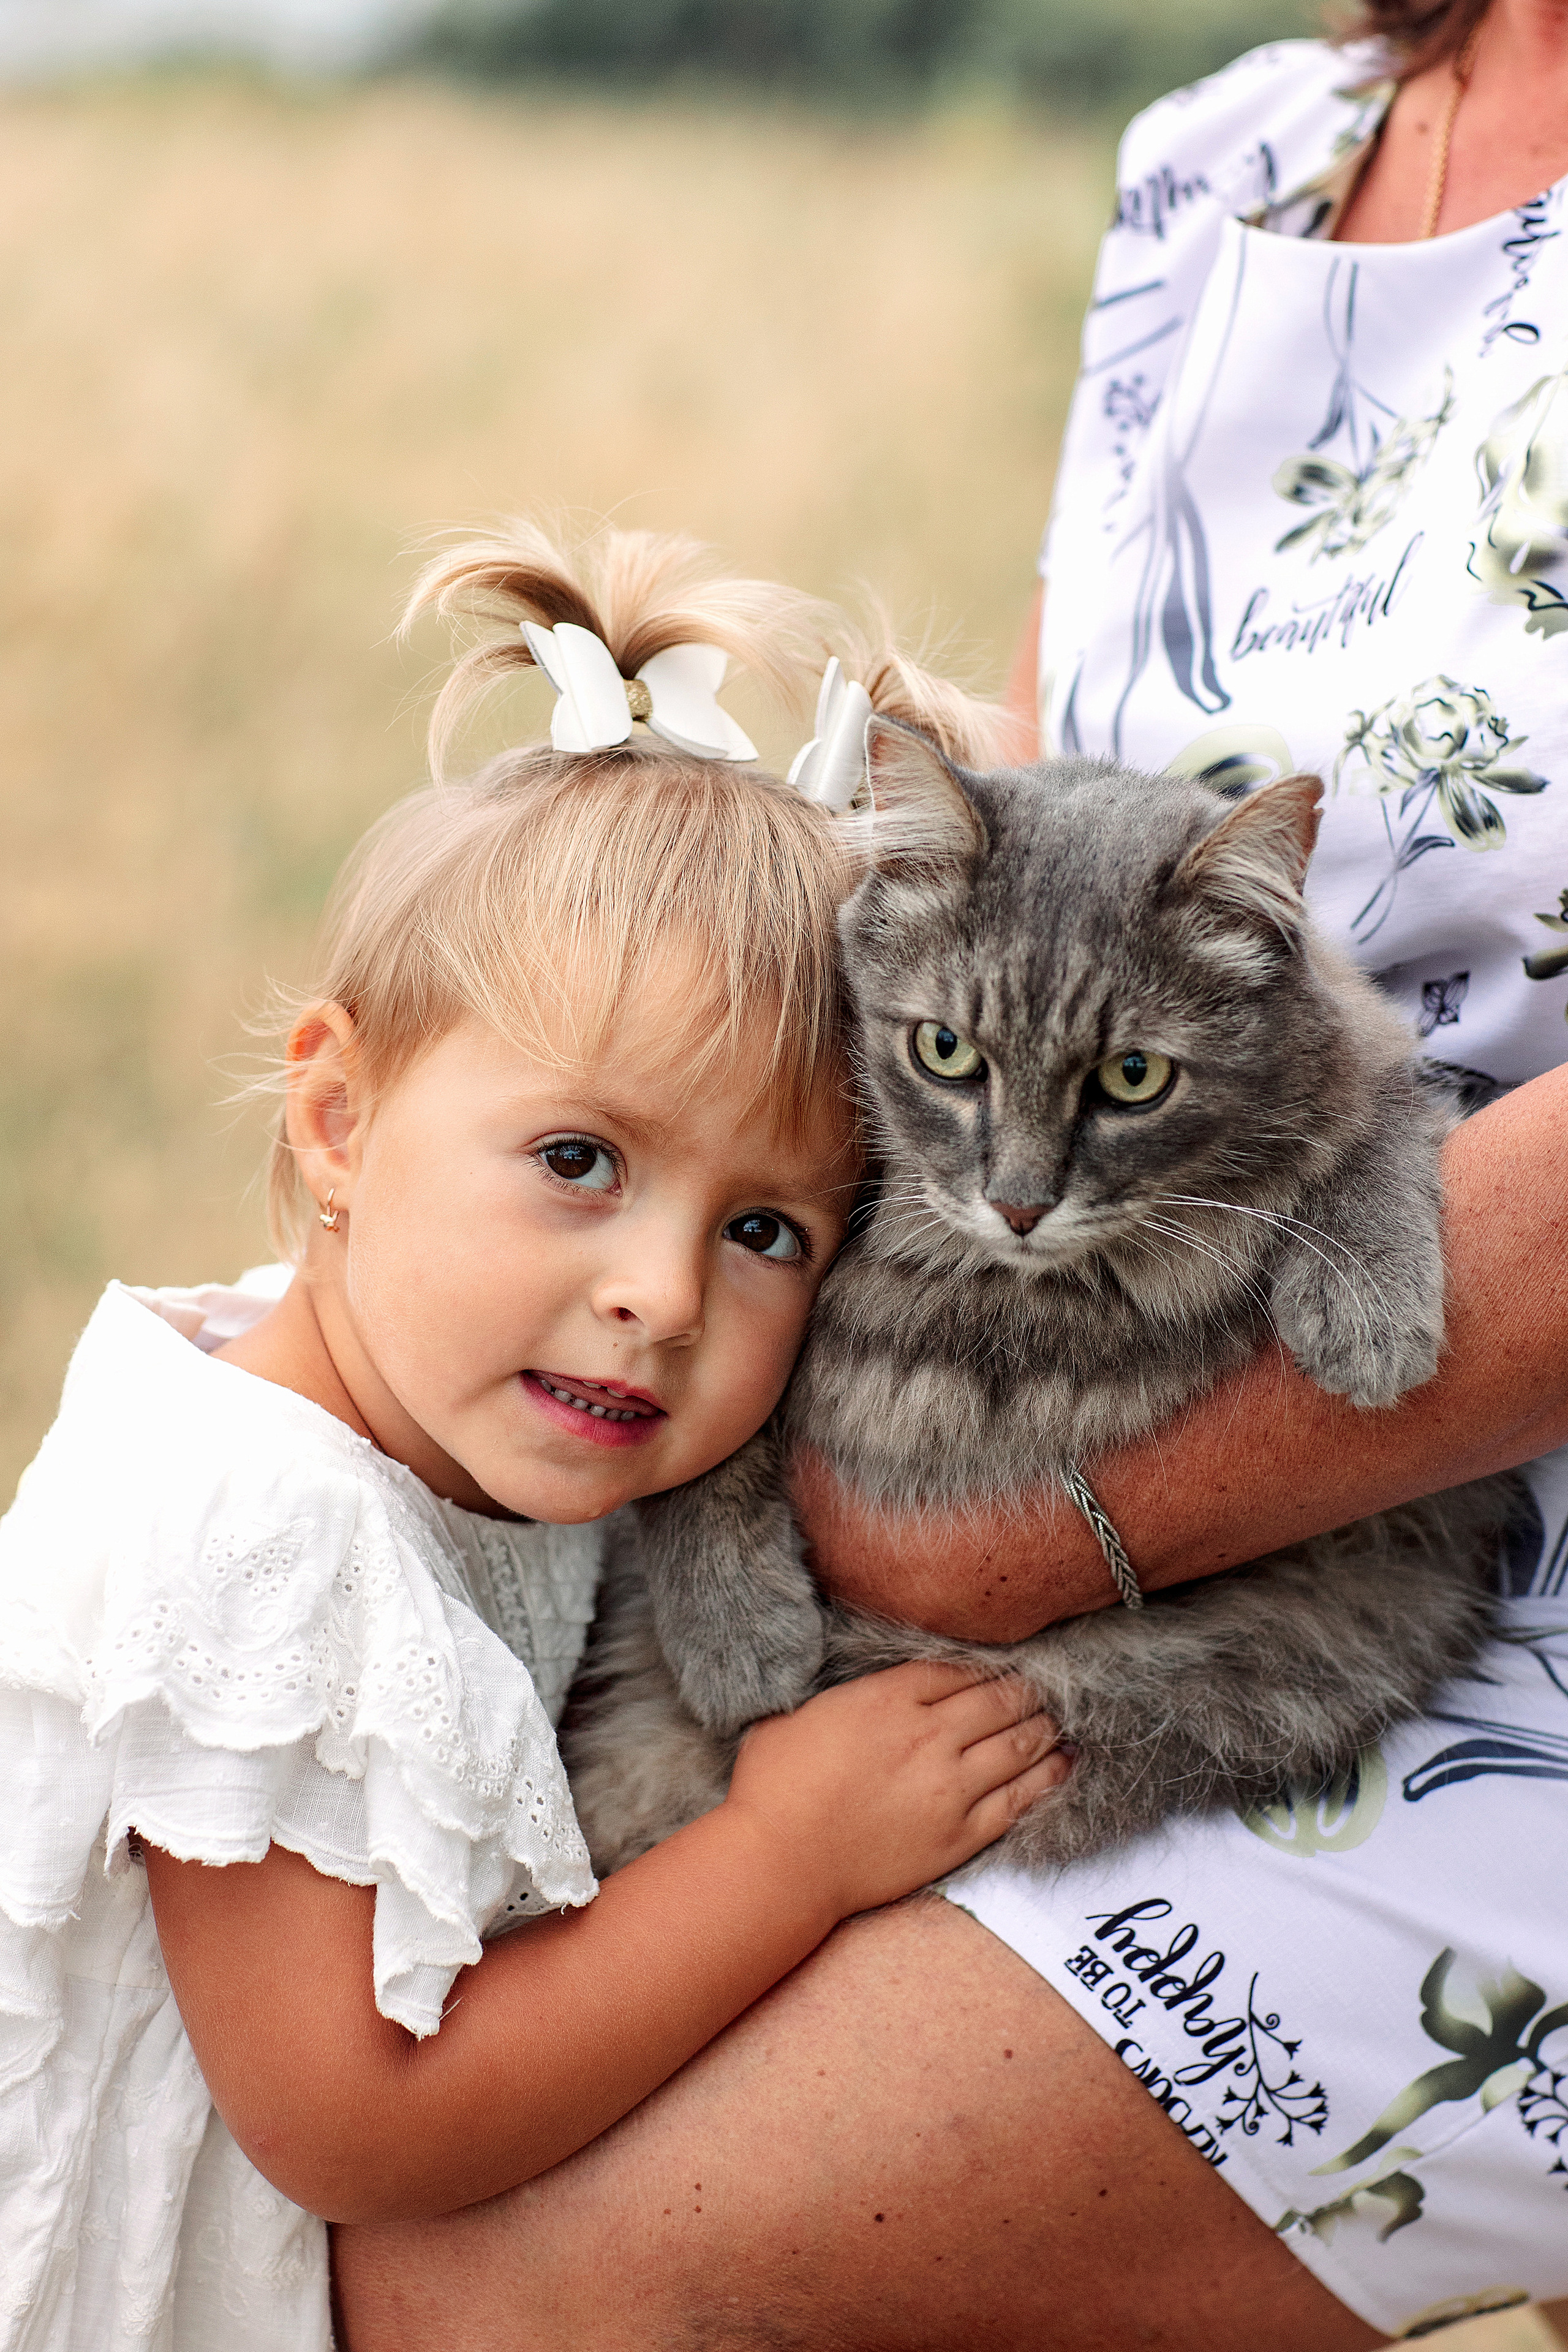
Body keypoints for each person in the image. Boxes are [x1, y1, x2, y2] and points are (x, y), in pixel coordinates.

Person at [331, 8, 1568, 2347]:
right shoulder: (1234, 157)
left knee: (513, 2275)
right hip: (1055, 1413)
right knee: (427, 2063)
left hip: (1410, 1552)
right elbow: (1016, 802)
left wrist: (1021, 1537)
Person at [0, 522, 1066, 2351]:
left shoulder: (455, 1414)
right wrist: (788, 1855)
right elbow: (358, 2125)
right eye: (580, 1164)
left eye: (767, 1232)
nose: (662, 1293)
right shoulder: (255, 1524)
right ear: (339, 1121)